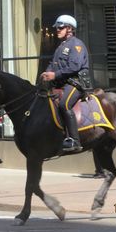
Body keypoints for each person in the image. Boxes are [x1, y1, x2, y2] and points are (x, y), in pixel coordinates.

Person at [40, 14, 90, 152]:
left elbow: (74, 66)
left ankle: (74, 140)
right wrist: (46, 73)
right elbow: (53, 63)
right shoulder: (61, 46)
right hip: (61, 83)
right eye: (57, 28)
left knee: (64, 104)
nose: (57, 30)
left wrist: (54, 74)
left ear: (69, 28)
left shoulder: (77, 44)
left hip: (76, 83)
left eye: (60, 27)